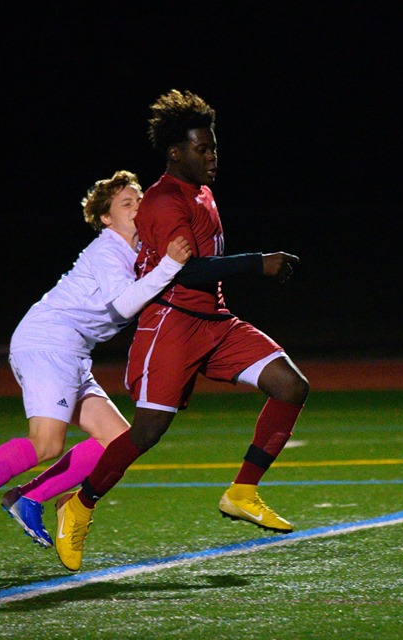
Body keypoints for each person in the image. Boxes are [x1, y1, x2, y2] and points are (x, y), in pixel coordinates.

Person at [54, 90, 309, 572]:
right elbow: (184, 272)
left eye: (213, 148)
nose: (212, 157)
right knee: (148, 430)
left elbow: (204, 272)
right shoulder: (163, 201)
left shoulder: (202, 192)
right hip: (170, 323)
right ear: (176, 152)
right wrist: (259, 263)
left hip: (213, 319)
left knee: (291, 385)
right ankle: (79, 503)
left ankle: (243, 490)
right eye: (202, 149)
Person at [0, 170, 193, 557]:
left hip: (71, 351)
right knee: (46, 442)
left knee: (118, 442)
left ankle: (28, 498)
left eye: (140, 200)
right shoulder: (108, 248)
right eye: (127, 203)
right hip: (48, 343)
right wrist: (170, 266)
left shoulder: (138, 252)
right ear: (106, 218)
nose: (138, 208)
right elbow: (123, 304)